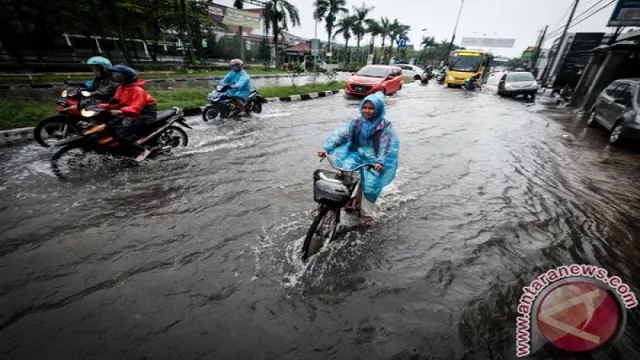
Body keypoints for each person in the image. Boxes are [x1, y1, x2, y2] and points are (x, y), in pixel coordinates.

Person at [317, 91, 400, 225]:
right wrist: (327, 148)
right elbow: (342, 136)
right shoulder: (356, 122)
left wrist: (380, 162)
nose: (367, 111)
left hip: (374, 157)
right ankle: (344, 198)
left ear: (378, 109)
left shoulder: (384, 125)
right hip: (355, 152)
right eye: (365, 107)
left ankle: (367, 213)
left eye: (371, 108)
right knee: (345, 173)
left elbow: (385, 145)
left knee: (371, 185)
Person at [98, 65, 157, 162]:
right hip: (129, 114)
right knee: (108, 127)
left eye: (116, 74)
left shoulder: (138, 91)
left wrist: (121, 111)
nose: (113, 76)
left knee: (121, 133)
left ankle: (141, 152)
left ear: (124, 77)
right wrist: (103, 106)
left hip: (144, 116)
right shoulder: (121, 88)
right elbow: (117, 103)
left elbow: (135, 109)